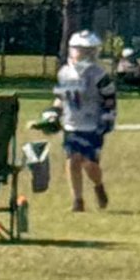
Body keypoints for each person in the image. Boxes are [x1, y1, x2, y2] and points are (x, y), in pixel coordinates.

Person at [55, 30, 116, 212]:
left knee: (89, 163)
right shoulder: (64, 73)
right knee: (72, 159)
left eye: (89, 50)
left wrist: (107, 118)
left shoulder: (99, 74)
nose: (85, 54)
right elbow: (61, 97)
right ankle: (77, 200)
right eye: (81, 50)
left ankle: (98, 185)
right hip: (71, 123)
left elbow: (109, 98)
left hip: (92, 124)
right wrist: (53, 111)